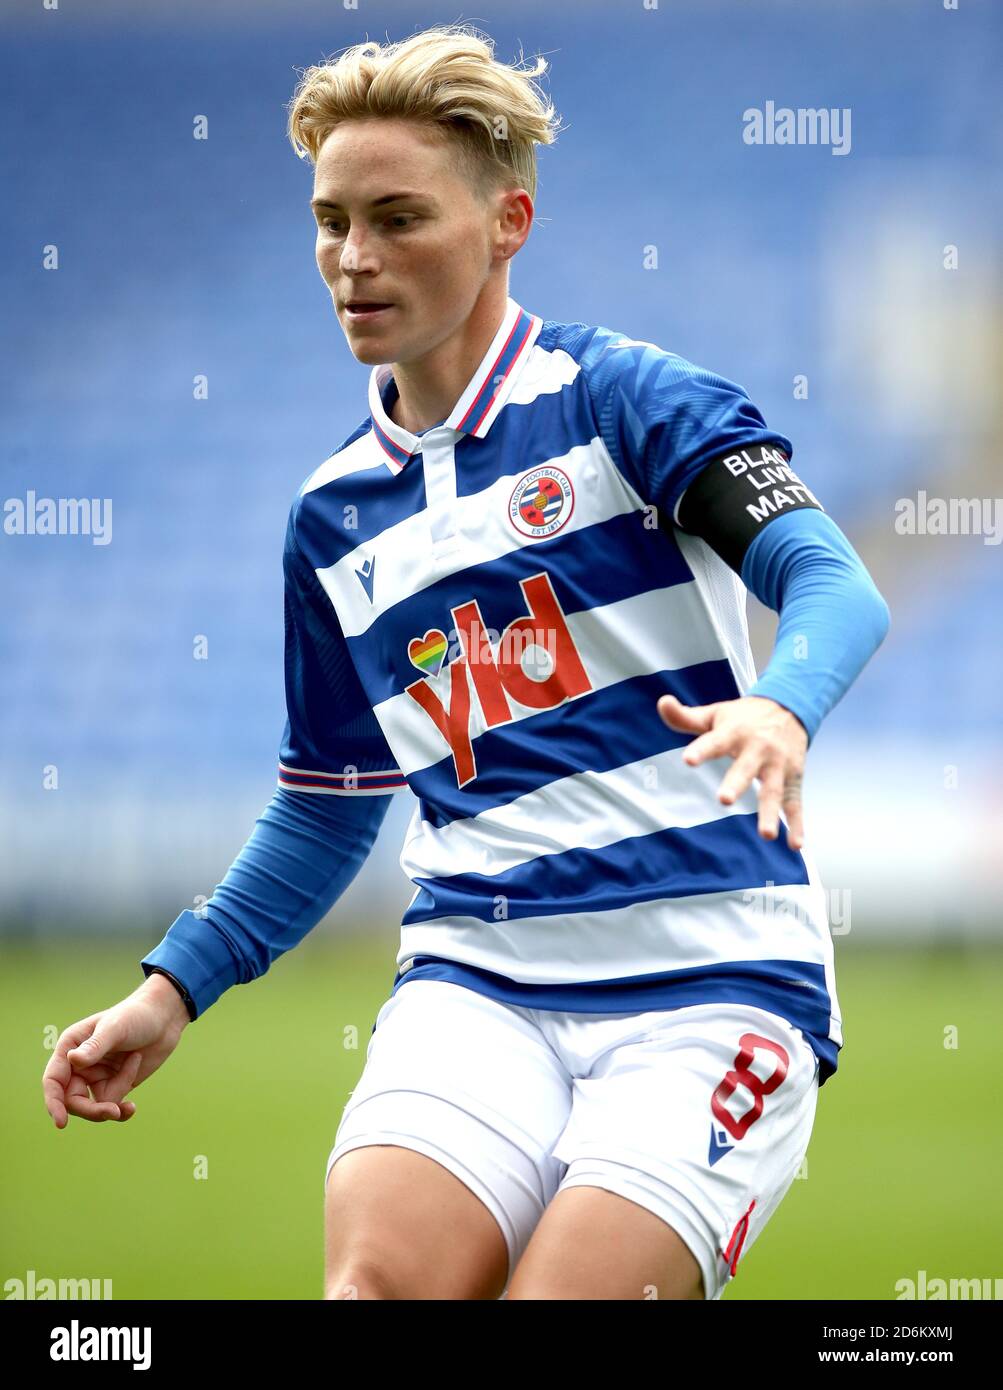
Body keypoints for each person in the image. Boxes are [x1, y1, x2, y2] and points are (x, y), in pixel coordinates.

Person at [42, 24, 889, 1301]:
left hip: (712, 977)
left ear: (509, 221)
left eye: (397, 217)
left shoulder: (625, 401)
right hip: (476, 977)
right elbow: (330, 805)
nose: (353, 259)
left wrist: (782, 705)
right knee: (374, 1290)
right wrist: (174, 987)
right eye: (330, 221)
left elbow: (833, 580)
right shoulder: (330, 516)